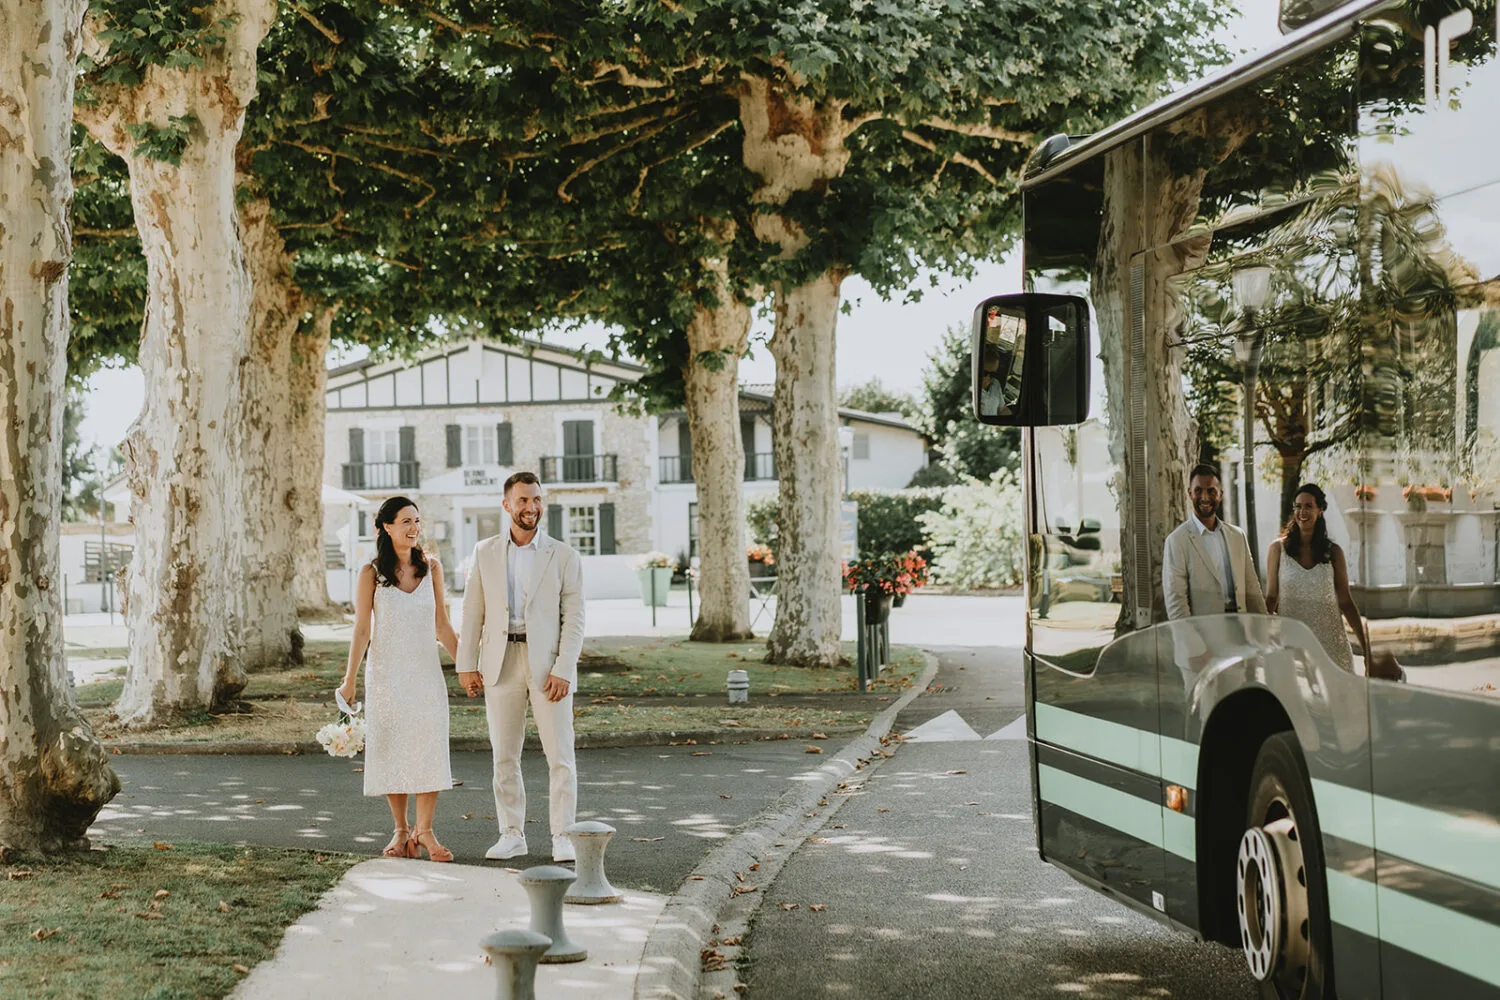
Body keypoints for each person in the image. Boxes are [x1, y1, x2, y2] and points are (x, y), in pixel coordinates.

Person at [455, 471, 585, 862]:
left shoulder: (563, 556)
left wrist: (564, 668)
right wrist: (466, 663)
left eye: (537, 500)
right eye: (524, 500)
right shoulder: (485, 552)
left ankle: (563, 835)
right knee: (504, 753)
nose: (531, 507)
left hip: (548, 666)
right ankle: (511, 833)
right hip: (500, 661)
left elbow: (574, 618)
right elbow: (472, 610)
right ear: (507, 504)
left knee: (560, 754)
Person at [337, 496, 459, 862]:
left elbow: (442, 624)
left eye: (417, 521)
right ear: (386, 527)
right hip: (386, 674)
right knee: (391, 748)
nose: (413, 528)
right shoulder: (370, 574)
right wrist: (349, 680)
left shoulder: (431, 568)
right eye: (405, 521)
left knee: (429, 745)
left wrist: (470, 666)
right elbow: (361, 630)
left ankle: (426, 832)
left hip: (425, 673)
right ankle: (401, 830)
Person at [1266, 483, 1370, 673]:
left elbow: (1346, 601)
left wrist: (1367, 651)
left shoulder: (1333, 552)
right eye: (1298, 506)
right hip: (1291, 648)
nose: (1302, 511)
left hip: (1332, 650)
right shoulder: (1277, 550)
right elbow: (1271, 598)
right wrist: (1260, 641)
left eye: (1308, 506)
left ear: (1320, 510)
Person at [1162, 464, 1267, 620]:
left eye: (1211, 491)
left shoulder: (1237, 536)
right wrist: (1192, 643)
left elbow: (1252, 590)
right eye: (1198, 491)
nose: (1205, 497)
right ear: (1190, 494)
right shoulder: (1177, 541)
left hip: (1241, 631)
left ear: (1220, 494)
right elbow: (1176, 603)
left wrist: (1263, 631)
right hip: (1203, 636)